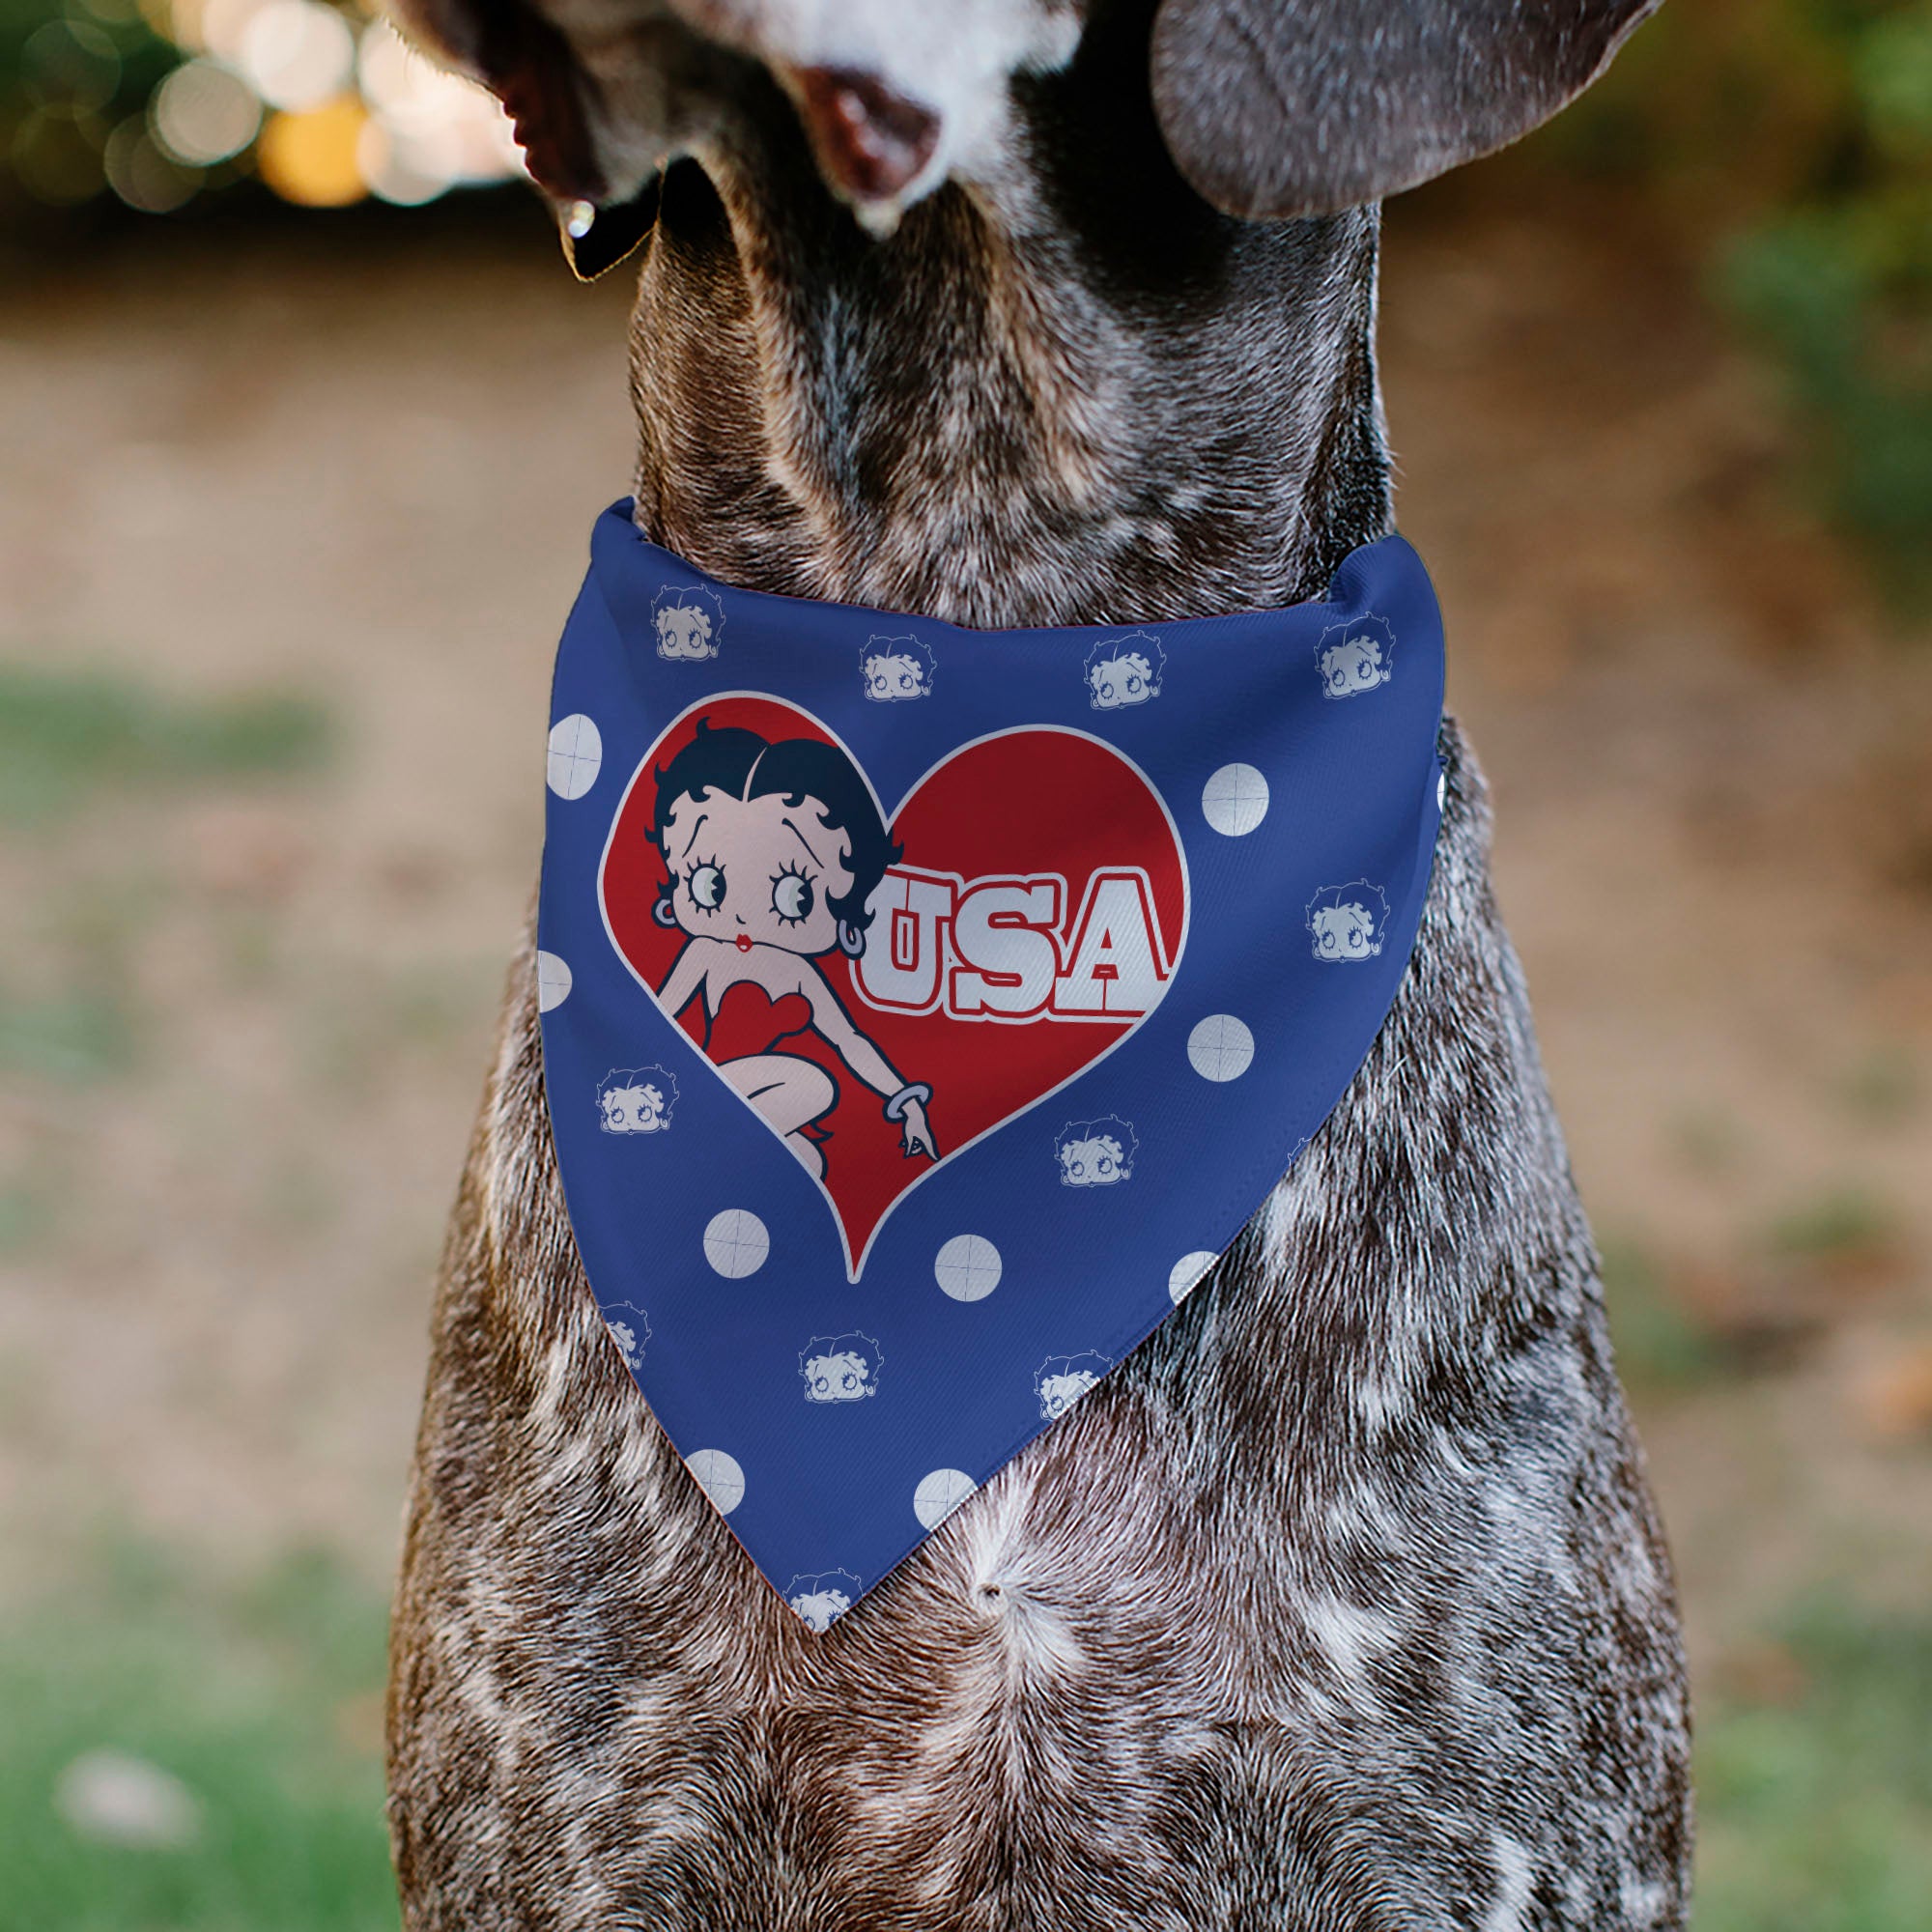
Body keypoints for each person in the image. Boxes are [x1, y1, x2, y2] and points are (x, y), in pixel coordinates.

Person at [646, 719, 939, 1179]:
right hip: (708, 1085)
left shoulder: (799, 972)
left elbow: (849, 1040)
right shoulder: (704, 952)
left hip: (749, 1092)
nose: (741, 915)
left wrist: (904, 1101)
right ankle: (692, 1146)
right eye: (708, 882)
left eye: (794, 894)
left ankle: (704, 1156)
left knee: (810, 1160)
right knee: (815, 1086)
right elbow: (657, 1020)